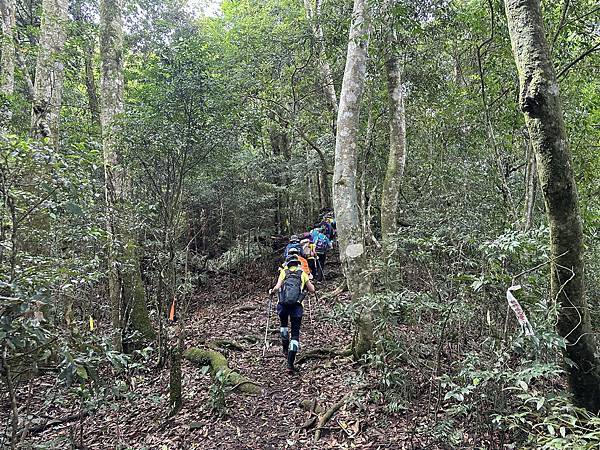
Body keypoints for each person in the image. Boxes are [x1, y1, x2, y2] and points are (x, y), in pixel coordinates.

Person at [269, 256, 315, 373]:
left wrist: (272, 291)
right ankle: (290, 364)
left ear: (288, 264)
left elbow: (277, 287)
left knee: (283, 325)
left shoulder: (284, 272)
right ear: (298, 264)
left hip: (283, 305)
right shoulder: (302, 274)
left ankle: (285, 347)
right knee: (295, 333)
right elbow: (312, 290)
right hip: (297, 306)